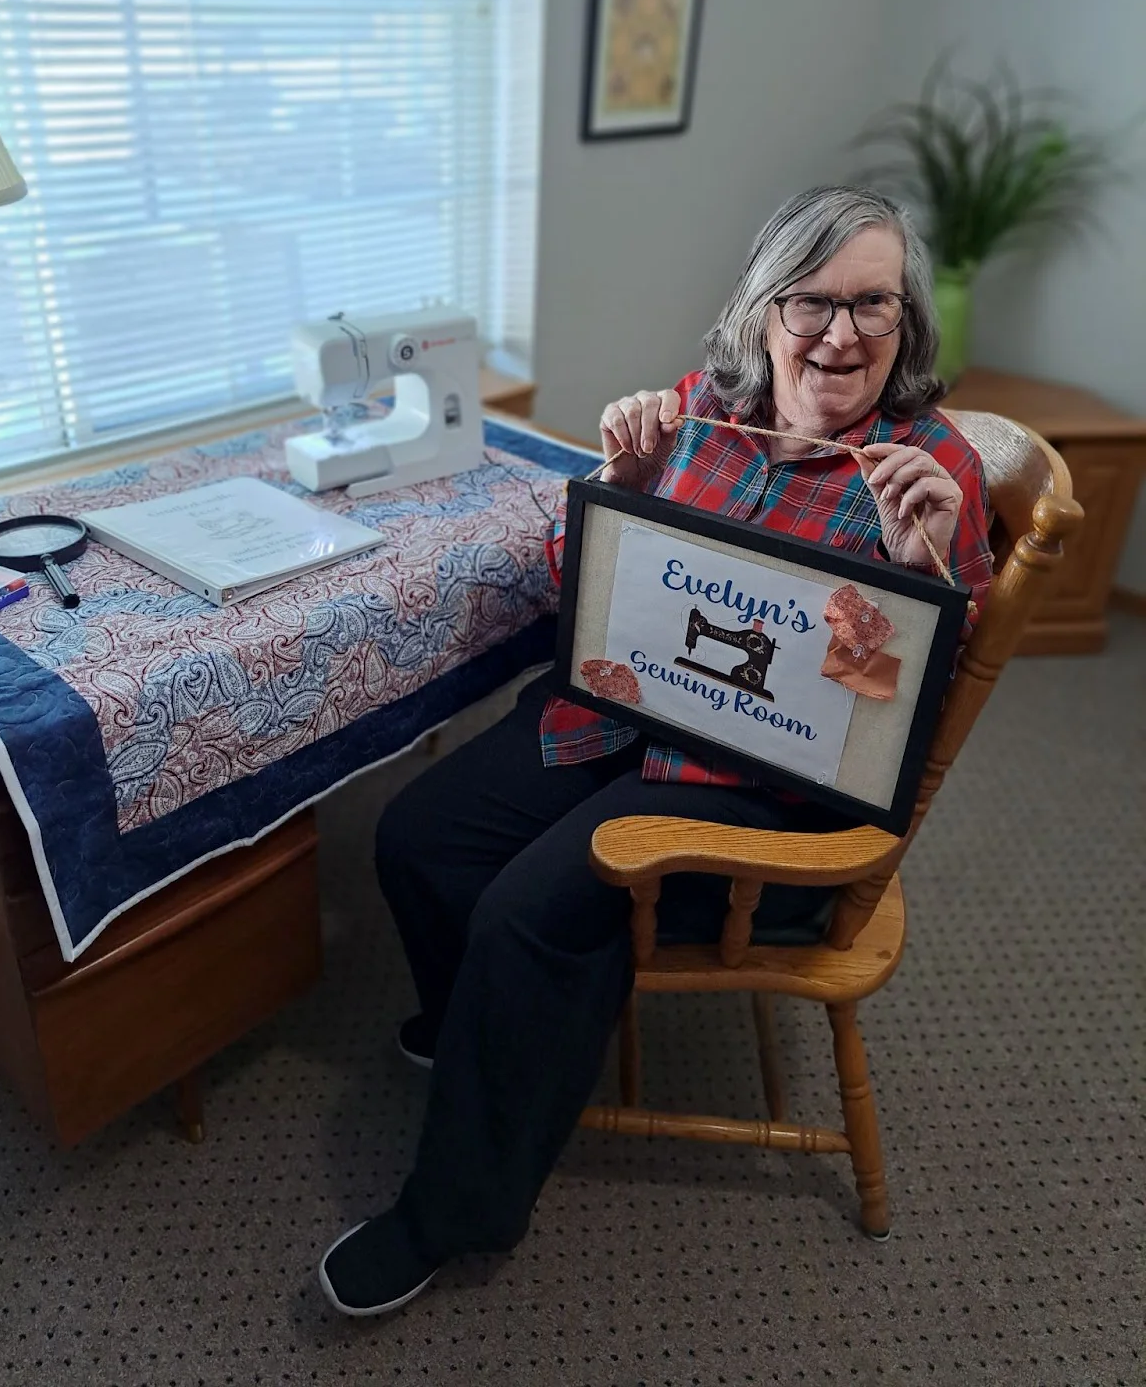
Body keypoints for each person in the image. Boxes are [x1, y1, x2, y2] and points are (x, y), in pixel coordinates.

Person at [318, 184, 994, 1316]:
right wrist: (616, 492)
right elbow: (572, 590)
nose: (841, 335)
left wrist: (908, 570)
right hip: (629, 710)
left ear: (905, 319)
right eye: (813, 301)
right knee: (418, 837)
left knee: (529, 915)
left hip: (766, 781)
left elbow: (896, 708)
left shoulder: (931, 469)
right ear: (763, 311)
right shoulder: (698, 410)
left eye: (873, 304)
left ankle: (455, 1209)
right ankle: (480, 1028)